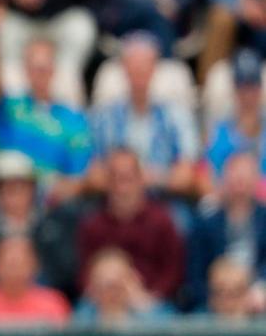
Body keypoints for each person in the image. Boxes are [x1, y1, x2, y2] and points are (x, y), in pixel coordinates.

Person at [87, 33, 200, 206]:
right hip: (113, 204)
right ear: (124, 68)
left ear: (155, 69)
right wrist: (130, 182)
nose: (139, 73)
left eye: (145, 66)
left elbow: (186, 178)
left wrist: (152, 178)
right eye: (134, 66)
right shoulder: (103, 117)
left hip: (162, 202)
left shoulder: (177, 116)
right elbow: (93, 177)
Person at [0, 35, 92, 204]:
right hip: (1, 200)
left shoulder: (74, 121)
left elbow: (78, 176)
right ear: (25, 70)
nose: (39, 73)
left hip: (48, 208)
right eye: (34, 67)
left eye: (44, 67)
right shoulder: (10, 106)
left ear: (54, 69)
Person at [77, 148, 185, 302]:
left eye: (127, 178)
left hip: (149, 302)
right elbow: (84, 274)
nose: (122, 188)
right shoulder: (92, 224)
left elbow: (173, 272)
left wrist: (150, 298)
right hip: (102, 303)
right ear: (106, 182)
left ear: (141, 179)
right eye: (115, 178)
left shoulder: (161, 221)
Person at [0, 151, 79, 295]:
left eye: (19, 188)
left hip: (43, 305)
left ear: (32, 190)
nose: (12, 197)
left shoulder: (52, 229)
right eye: (5, 189)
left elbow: (63, 275)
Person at [187, 152, 266, 310]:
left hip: (257, 300)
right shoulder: (205, 224)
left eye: (244, 180)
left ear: (256, 181)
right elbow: (195, 277)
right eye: (236, 180)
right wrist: (217, 297)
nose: (240, 187)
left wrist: (256, 292)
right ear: (224, 181)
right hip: (214, 303)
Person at [0, 235, 71, 324]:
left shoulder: (54, 305)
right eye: (8, 263)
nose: (13, 269)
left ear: (35, 266)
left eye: (19, 263)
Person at [206, 48, 266, 187]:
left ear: (260, 88)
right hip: (229, 202)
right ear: (234, 89)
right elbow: (207, 177)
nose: (248, 95)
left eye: (252, 87)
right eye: (242, 87)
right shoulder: (219, 131)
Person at [73, 247, 173, 324]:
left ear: (133, 279)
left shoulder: (151, 311)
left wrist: (144, 307)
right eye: (104, 283)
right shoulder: (84, 314)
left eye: (118, 282)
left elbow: (173, 329)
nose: (111, 292)